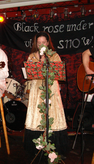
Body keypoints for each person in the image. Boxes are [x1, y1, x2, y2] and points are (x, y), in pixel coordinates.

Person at [24, 31, 68, 162]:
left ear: (48, 43)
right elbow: (29, 73)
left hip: (51, 89)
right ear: (35, 44)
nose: (41, 44)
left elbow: (58, 73)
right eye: (39, 43)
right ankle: (36, 147)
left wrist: (46, 61)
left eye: (43, 42)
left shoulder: (54, 55)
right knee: (37, 114)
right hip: (37, 89)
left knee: (52, 114)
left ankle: (54, 147)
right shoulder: (32, 56)